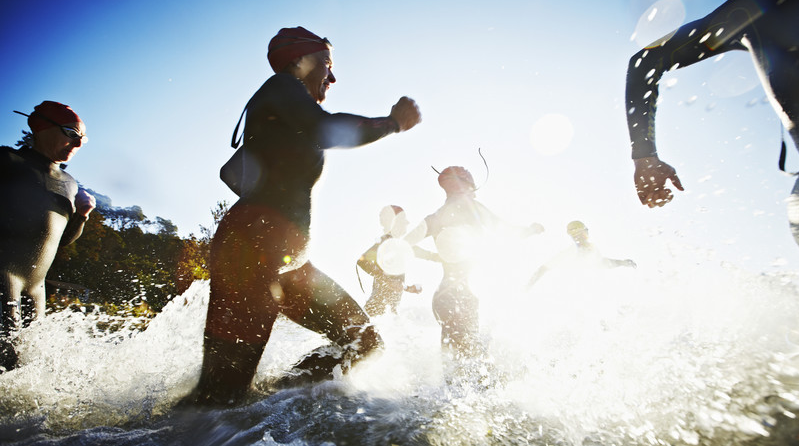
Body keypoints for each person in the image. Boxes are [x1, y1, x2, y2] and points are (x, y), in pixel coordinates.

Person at [184, 27, 422, 406]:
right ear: (299, 61)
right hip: (253, 251)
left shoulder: (284, 110)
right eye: (327, 65)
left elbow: (230, 175)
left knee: (363, 341)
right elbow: (327, 129)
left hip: (290, 261)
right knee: (219, 396)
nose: (332, 77)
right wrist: (391, 123)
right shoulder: (282, 86)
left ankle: (275, 401)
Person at [625, 0, 799, 272]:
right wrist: (644, 155)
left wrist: (645, 156)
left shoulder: (753, 6)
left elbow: (645, 62)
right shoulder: (759, 4)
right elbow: (646, 61)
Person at [406, 166, 543, 360]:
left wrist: (432, 256)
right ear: (466, 186)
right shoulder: (473, 209)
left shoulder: (435, 217)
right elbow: (506, 231)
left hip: (442, 298)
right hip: (463, 296)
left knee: (453, 361)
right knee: (471, 360)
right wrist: (531, 230)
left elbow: (402, 245)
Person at [0, 101, 96, 371]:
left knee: (24, 371)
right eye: (71, 133)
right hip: (3, 277)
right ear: (41, 127)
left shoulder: (70, 184)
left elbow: (62, 240)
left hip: (36, 289)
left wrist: (82, 215)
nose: (77, 145)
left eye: (82, 139)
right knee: (5, 360)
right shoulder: (7, 161)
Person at [526, 220, 636, 289]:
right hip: (573, 294)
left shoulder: (592, 249)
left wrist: (622, 262)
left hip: (589, 291)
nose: (583, 236)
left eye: (584, 233)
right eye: (578, 235)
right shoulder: (570, 252)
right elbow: (544, 268)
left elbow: (603, 263)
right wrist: (529, 285)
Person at [357, 205, 422, 317]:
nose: (407, 222)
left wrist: (408, 288)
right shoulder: (386, 241)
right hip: (378, 308)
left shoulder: (395, 244)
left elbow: (393, 280)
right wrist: (387, 281)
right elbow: (362, 261)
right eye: (403, 219)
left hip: (387, 310)